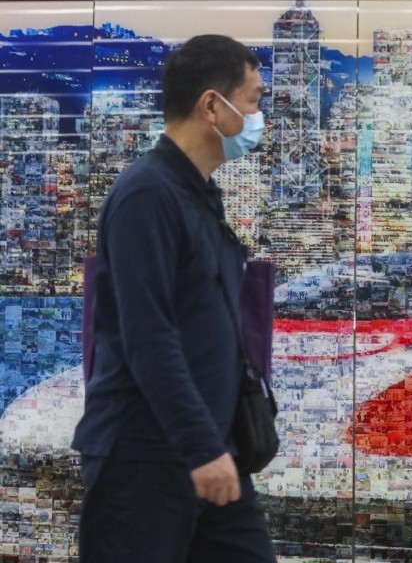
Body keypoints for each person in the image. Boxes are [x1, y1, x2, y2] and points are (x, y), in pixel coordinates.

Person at [71, 34, 276, 562]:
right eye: (253, 100)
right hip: (145, 457)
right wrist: (201, 447)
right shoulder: (147, 195)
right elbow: (148, 335)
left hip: (208, 450)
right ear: (213, 105)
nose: (259, 117)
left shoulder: (198, 194)